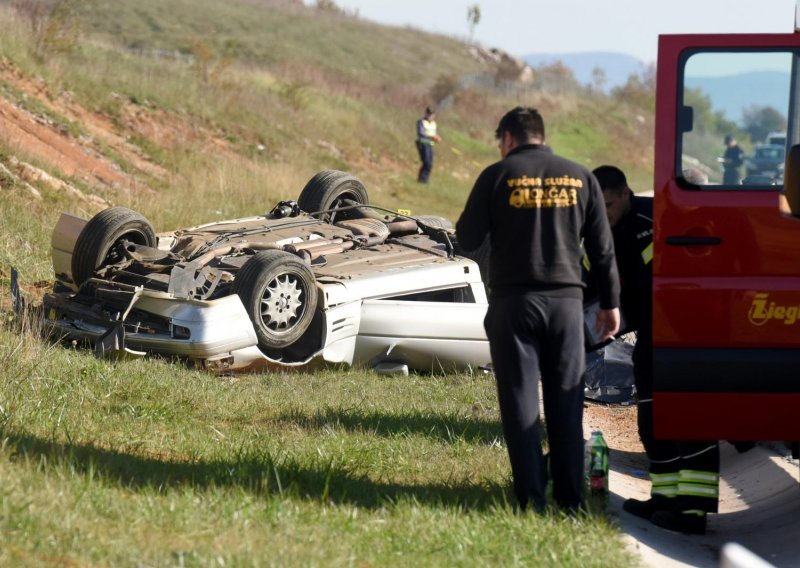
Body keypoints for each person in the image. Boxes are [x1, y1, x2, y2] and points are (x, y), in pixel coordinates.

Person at [455, 107, 620, 513]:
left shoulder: (497, 176)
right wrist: (611, 303)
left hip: (514, 305)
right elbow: (602, 248)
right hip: (566, 306)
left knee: (521, 404)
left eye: (500, 142)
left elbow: (467, 237)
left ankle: (530, 501)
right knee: (566, 403)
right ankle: (570, 501)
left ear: (508, 138)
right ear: (541, 136)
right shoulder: (580, 176)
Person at [593, 165, 720, 535]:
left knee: (689, 421)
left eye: (610, 203)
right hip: (649, 332)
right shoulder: (599, 228)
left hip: (686, 332)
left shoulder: (656, 219)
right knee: (652, 422)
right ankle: (665, 500)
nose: (605, 212)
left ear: (626, 194)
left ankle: (693, 512)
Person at [415, 107, 441, 183]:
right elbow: (421, 133)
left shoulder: (434, 124)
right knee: (426, 162)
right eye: (428, 114)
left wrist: (437, 138)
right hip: (423, 145)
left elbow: (433, 133)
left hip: (430, 145)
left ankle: (425, 180)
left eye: (431, 114)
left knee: (430, 163)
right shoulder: (421, 122)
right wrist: (432, 137)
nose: (430, 116)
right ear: (426, 114)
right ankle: (422, 180)